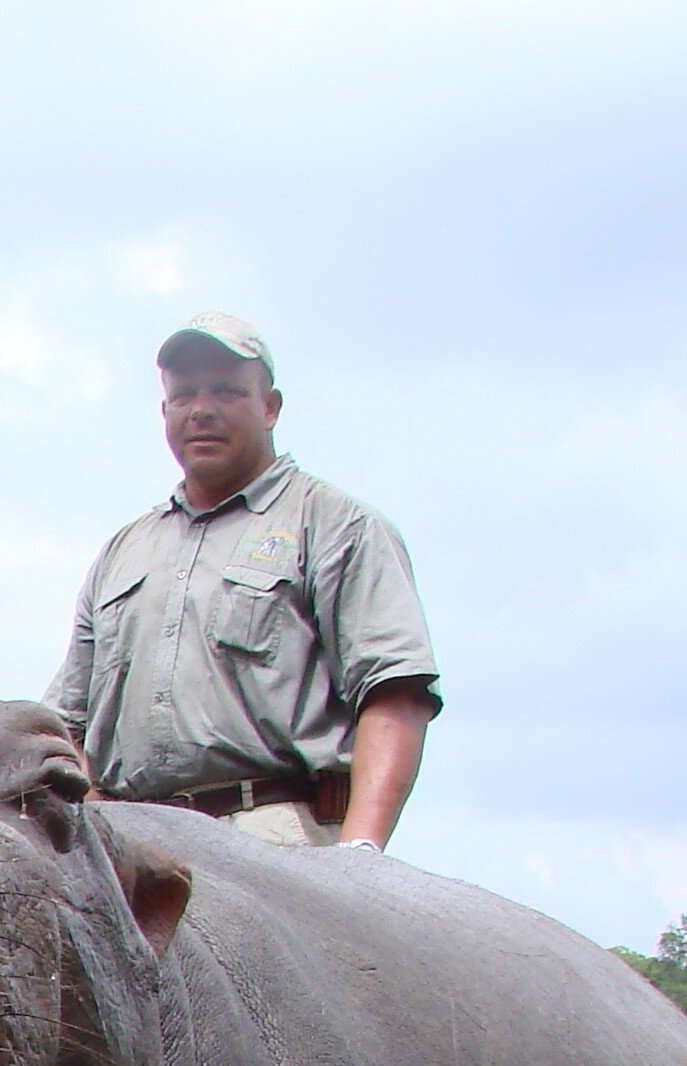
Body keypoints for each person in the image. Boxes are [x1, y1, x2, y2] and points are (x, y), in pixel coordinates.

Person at [43, 315, 440, 850]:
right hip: (128, 846)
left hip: (274, 841)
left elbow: (396, 693)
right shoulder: (122, 552)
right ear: (165, 412)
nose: (202, 410)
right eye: (184, 395)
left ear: (271, 407)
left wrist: (361, 857)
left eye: (227, 391)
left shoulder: (337, 526)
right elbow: (67, 728)